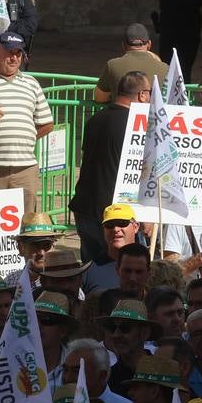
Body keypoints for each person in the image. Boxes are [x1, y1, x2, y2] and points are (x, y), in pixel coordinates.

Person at [0, 31, 53, 215]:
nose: (14, 57)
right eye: (9, 52)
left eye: (18, 53)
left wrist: (26, 137)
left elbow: (47, 124)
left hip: (25, 170)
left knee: (25, 227)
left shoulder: (32, 83)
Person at [71, 71, 149, 263]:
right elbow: (139, 172)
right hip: (116, 217)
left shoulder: (95, 120)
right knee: (126, 272)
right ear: (141, 95)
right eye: (150, 93)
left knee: (91, 273)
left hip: (85, 208)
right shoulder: (137, 125)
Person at [94, 24, 168, 103]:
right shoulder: (165, 68)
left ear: (124, 46)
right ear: (149, 44)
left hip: (122, 114)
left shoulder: (112, 65)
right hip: (151, 115)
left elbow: (99, 98)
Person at [81, 205, 139, 296]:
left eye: (122, 223)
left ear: (135, 227)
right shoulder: (88, 271)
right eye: (109, 225)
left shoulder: (151, 267)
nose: (116, 229)